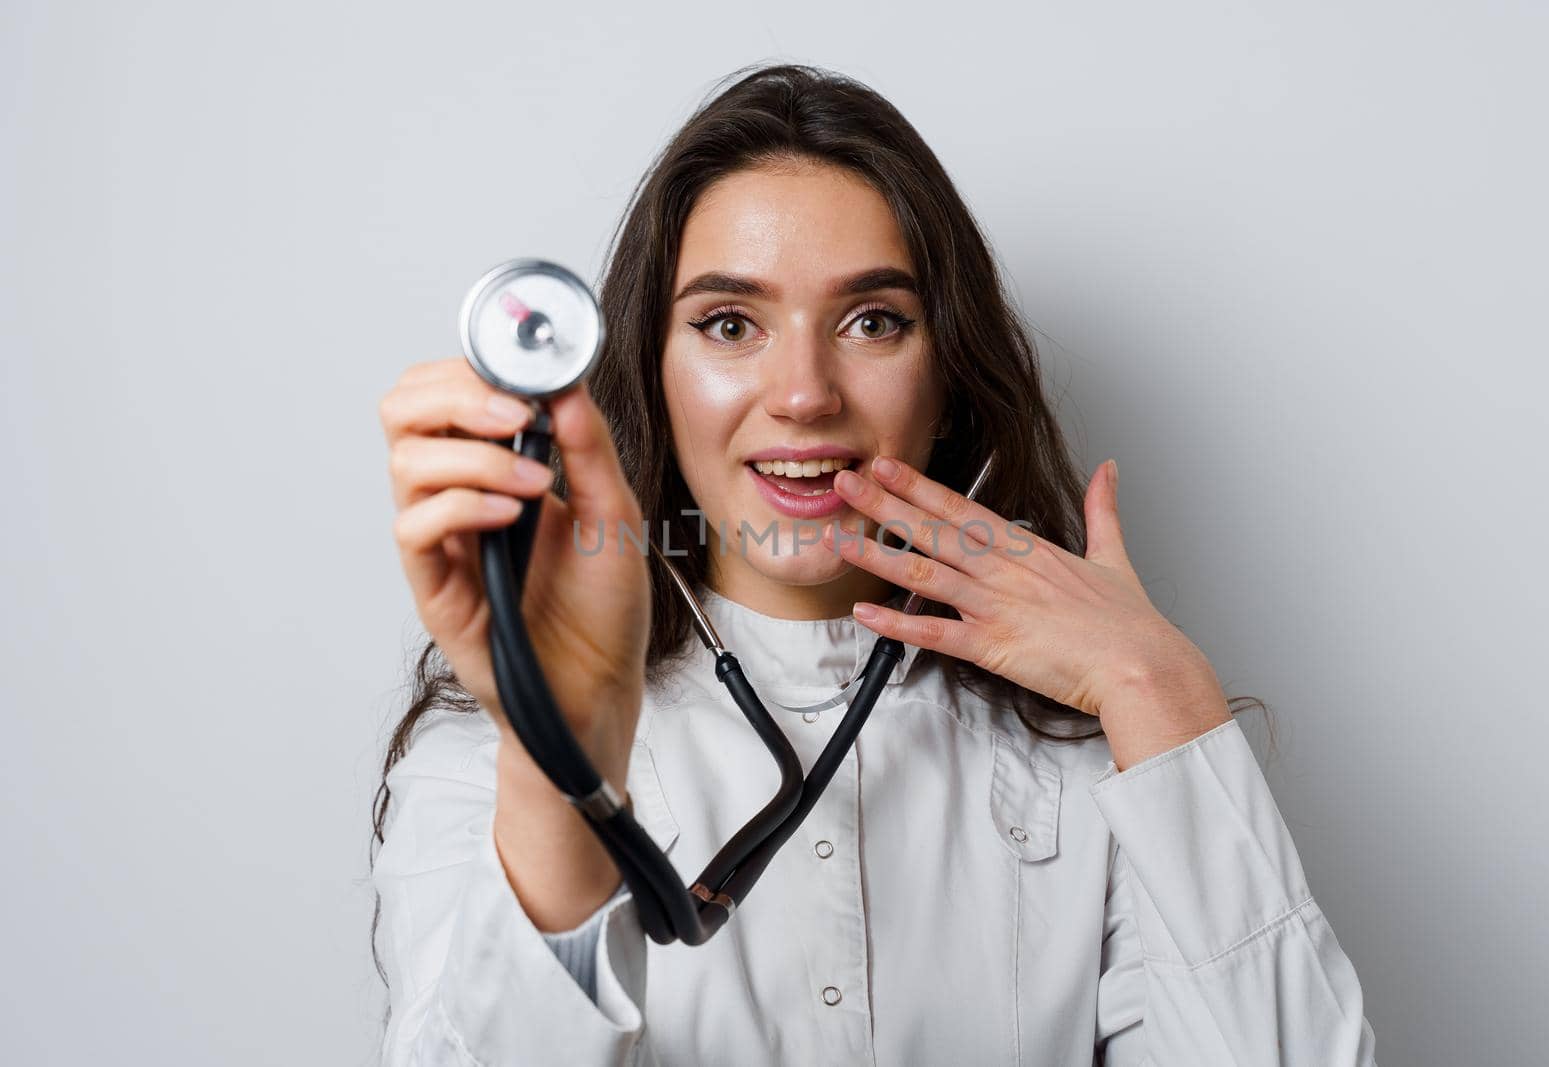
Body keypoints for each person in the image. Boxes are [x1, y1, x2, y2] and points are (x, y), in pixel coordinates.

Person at [372, 63, 1377, 1065]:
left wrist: (1155, 686)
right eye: (730, 324)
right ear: (650, 368)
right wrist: (564, 763)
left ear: (949, 381)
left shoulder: (1104, 756)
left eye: (872, 322)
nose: (804, 393)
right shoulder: (486, 751)